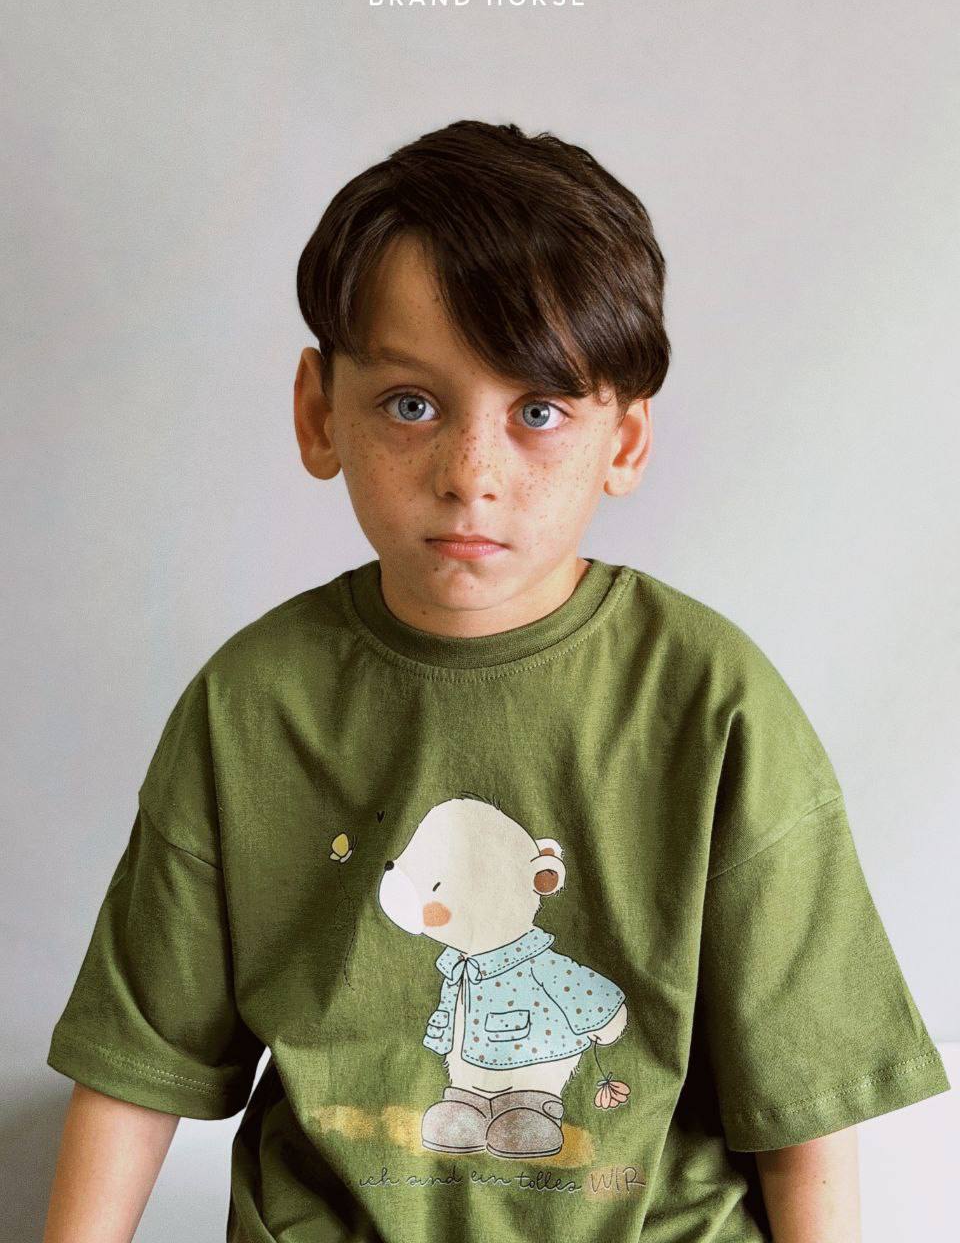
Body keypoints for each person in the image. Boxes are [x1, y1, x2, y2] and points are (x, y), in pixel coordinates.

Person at [43, 119, 949, 1243]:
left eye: (539, 411)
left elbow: (806, 1106)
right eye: (411, 403)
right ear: (320, 413)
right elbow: (136, 1068)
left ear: (624, 441)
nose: (471, 473)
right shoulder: (250, 705)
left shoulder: (714, 701)